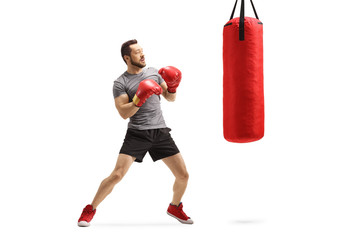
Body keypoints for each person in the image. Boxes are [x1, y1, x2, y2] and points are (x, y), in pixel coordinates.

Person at [77, 39, 193, 227]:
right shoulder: (120, 82)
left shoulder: (154, 72)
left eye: (142, 51)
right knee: (117, 175)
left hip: (160, 132)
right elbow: (123, 113)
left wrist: (173, 87)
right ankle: (89, 209)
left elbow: (170, 98)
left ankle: (174, 207)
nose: (143, 54)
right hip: (137, 134)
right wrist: (139, 97)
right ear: (127, 58)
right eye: (138, 52)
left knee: (183, 175)